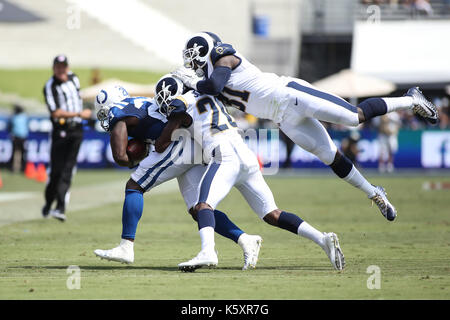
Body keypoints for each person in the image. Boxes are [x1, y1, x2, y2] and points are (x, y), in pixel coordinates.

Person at [172, 32, 439, 222]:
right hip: (284, 118)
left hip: (291, 95)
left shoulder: (223, 56)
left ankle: (410, 98)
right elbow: (205, 93)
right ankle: (375, 193)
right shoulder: (206, 77)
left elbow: (215, 86)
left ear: (205, 49)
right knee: (329, 156)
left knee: (353, 116)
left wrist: (194, 83)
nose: (192, 64)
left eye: (193, 57)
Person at [154, 74, 345, 272]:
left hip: (224, 157)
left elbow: (161, 144)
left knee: (202, 205)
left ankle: (207, 251)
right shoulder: (211, 95)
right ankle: (322, 239)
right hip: (246, 155)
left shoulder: (182, 104)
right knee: (272, 214)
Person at [92, 85, 262, 270]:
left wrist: (135, 157)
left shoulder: (118, 111)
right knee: (198, 208)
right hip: (192, 143)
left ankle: (126, 247)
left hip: (176, 144)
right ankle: (245, 240)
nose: (106, 117)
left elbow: (120, 157)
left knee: (134, 186)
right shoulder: (139, 102)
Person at [42, 54, 92, 221]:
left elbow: (78, 98)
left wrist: (86, 109)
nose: (61, 70)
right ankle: (49, 203)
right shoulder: (50, 86)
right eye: (58, 67)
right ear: (54, 68)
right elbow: (55, 112)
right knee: (56, 171)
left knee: (68, 169)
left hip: (76, 129)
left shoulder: (74, 79)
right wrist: (78, 113)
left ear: (67, 67)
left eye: (64, 67)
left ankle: (61, 207)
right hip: (61, 131)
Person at [8, 104, 29, 173]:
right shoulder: (24, 117)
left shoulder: (15, 117)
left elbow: (10, 126)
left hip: (18, 137)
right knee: (20, 153)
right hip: (21, 137)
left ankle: (15, 167)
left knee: (16, 152)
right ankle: (21, 168)